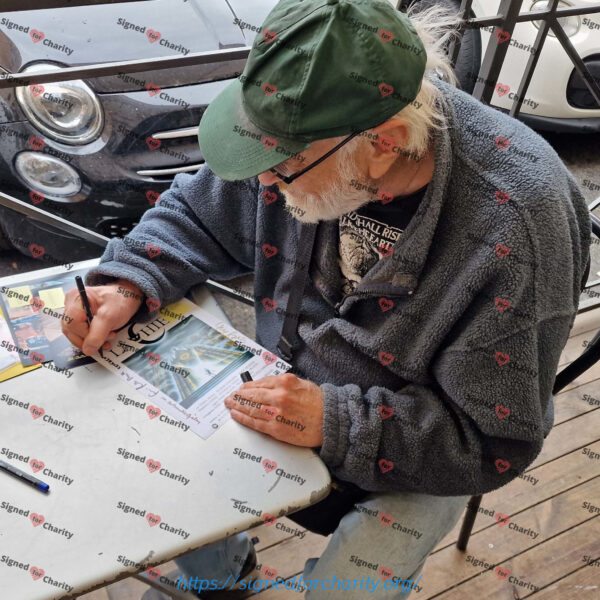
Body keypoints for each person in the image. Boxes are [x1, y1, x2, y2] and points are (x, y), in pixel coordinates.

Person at [61, 0, 591, 597]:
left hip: (421, 450)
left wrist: (334, 421)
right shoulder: (304, 135)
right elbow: (194, 212)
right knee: (162, 473)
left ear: (385, 143)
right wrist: (129, 280)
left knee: (346, 589)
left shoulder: (518, 226)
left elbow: (490, 440)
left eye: (280, 166)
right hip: (272, 387)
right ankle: (227, 582)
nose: (259, 183)